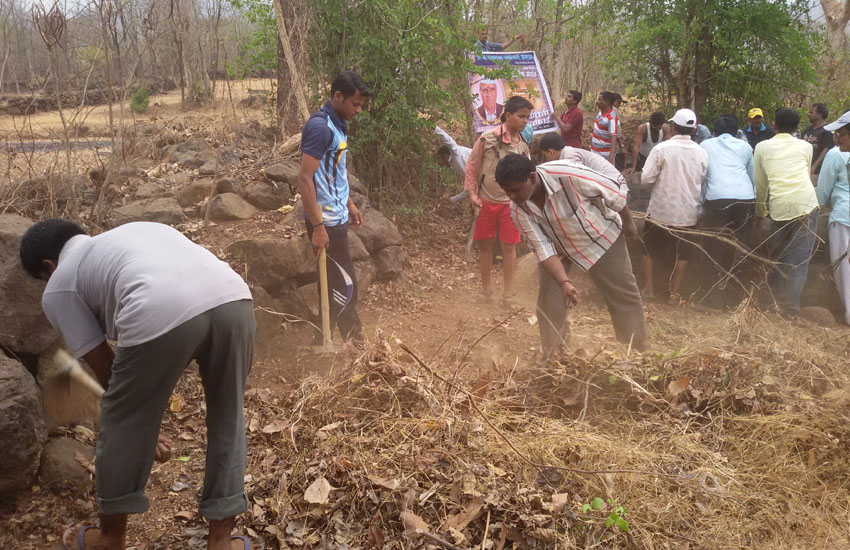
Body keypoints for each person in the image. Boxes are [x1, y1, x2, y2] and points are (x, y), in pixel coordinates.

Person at [19, 220, 256, 550]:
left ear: (48, 266)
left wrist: (139, 427)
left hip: (160, 306)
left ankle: (111, 538)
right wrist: (145, 424)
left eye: (44, 278)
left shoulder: (59, 283)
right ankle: (220, 541)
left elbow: (108, 372)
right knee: (229, 415)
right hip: (234, 298)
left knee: (119, 418)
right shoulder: (132, 234)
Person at [493, 153, 649, 356]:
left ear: (532, 177)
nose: (512, 197)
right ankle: (554, 355)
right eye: (507, 192)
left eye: (515, 190)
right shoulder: (518, 210)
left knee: (622, 291)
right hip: (559, 248)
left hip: (602, 236)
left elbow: (613, 193)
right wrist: (564, 283)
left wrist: (628, 222)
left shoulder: (568, 174)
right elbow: (542, 249)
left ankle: (637, 349)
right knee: (550, 301)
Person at [298, 71, 368, 344]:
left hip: (336, 216)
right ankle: (357, 345)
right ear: (338, 97)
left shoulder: (338, 123)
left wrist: (349, 202)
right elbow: (305, 178)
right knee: (345, 284)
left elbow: (332, 172)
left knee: (333, 282)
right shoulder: (320, 128)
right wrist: (317, 227)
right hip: (324, 220)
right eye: (355, 104)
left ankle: (320, 340)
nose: (358, 110)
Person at [465, 96, 533, 302]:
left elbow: (528, 175)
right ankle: (486, 291)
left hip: (510, 205)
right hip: (486, 201)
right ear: (508, 115)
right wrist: (472, 194)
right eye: (521, 116)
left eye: (527, 117)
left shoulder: (523, 145)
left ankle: (508, 294)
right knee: (485, 246)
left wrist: (525, 201)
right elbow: (472, 165)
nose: (525, 121)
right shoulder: (487, 138)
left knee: (509, 246)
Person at [754, 107, 819, 319]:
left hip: (780, 207)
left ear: (774, 125)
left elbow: (761, 185)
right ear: (797, 128)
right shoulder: (806, 146)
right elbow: (806, 173)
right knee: (798, 262)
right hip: (806, 205)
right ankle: (790, 312)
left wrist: (761, 211)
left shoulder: (762, 147)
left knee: (777, 260)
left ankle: (769, 306)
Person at [639, 108, 708, 304]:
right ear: (694, 129)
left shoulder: (662, 149)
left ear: (674, 127)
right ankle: (675, 294)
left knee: (647, 248)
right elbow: (701, 179)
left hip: (661, 210)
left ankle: (650, 288)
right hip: (687, 213)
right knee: (683, 252)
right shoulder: (701, 152)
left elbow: (645, 178)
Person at [699, 115, 756, 309]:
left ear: (714, 132)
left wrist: (700, 206)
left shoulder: (705, 145)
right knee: (739, 248)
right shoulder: (745, 147)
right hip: (745, 197)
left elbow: (702, 178)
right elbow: (752, 176)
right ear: (737, 132)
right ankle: (734, 301)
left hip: (718, 199)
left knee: (712, 248)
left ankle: (712, 301)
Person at [816, 110, 850, 324]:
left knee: (845, 272)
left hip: (843, 218)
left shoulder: (835, 155)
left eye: (840, 133)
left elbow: (823, 191)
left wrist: (815, 207)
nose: (836, 139)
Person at [803, 103, 835, 180]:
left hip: (817, 172)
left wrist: (814, 167)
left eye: (811, 112)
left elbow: (825, 150)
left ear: (820, 114)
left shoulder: (827, 130)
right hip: (804, 169)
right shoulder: (807, 130)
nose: (809, 114)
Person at [590, 91, 620, 165]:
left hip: (604, 155)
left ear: (607, 102)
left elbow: (613, 138)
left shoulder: (611, 118)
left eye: (600, 100)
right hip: (595, 152)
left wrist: (611, 159)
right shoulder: (601, 113)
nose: (597, 102)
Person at [612, 94, 627, 170]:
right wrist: (622, 146)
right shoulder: (614, 110)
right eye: (618, 102)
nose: (619, 105)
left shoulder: (604, 111)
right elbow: (617, 132)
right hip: (615, 148)